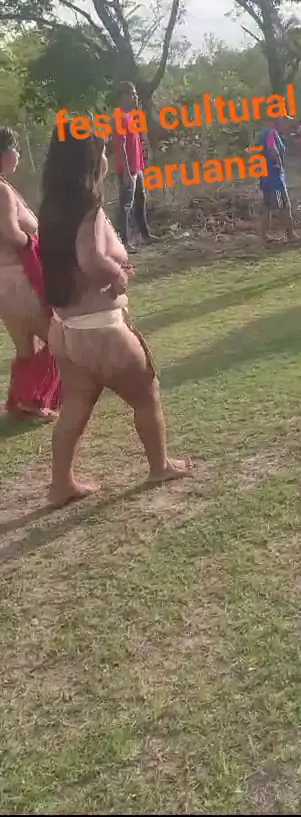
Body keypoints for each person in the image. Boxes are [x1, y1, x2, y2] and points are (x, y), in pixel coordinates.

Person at [38, 125, 193, 507]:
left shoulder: (51, 205)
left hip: (67, 329)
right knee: (146, 393)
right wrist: (117, 275)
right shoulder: (86, 207)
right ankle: (160, 466)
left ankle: (61, 484)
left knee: (76, 406)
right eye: (104, 151)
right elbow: (90, 258)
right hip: (100, 330)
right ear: (92, 160)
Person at [0, 126, 61, 420]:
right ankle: (34, 399)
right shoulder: (1, 190)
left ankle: (24, 401)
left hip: (6, 280)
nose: (19, 154)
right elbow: (10, 233)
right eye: (15, 148)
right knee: (58, 336)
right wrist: (34, 242)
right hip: (18, 277)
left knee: (26, 345)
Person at [113, 81, 158, 254]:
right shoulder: (119, 117)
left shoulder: (131, 116)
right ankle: (123, 242)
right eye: (132, 94)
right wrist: (126, 170)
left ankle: (145, 235)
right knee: (126, 205)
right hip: (128, 169)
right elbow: (120, 146)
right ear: (123, 96)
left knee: (140, 200)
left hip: (137, 167)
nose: (135, 97)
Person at [258, 114, 299, 244]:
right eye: (284, 120)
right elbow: (272, 148)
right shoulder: (271, 132)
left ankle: (264, 236)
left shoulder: (265, 133)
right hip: (274, 177)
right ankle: (290, 234)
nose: (286, 124)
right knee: (285, 206)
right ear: (276, 120)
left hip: (266, 176)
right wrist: (279, 164)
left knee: (268, 207)